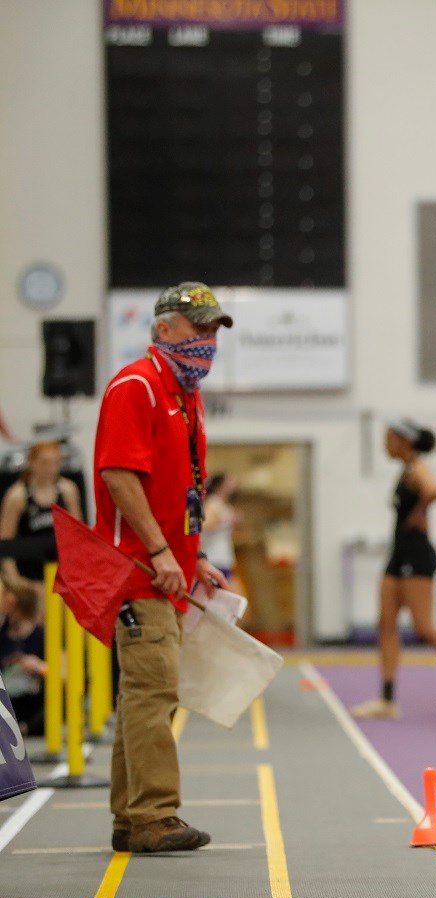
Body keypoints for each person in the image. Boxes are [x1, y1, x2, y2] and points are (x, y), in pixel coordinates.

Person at [94, 281, 232, 854]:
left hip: (168, 571)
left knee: (144, 694)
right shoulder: (138, 386)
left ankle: (132, 817)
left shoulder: (183, 392)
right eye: (198, 328)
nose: (207, 341)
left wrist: (193, 554)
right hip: (138, 570)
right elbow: (118, 475)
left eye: (213, 330)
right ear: (165, 327)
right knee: (154, 690)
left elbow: (183, 489)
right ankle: (154, 815)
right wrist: (157, 552)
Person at [350, 419, 436, 720]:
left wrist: (420, 511)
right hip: (398, 555)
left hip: (417, 555)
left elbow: (434, 489)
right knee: (385, 624)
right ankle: (387, 700)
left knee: (423, 628)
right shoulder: (405, 470)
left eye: (389, 438)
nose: (384, 445)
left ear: (405, 441)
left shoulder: (416, 467)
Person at [0, 441, 84, 606]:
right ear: (31, 463)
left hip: (61, 576)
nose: (50, 469)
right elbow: (5, 544)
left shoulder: (67, 490)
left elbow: (79, 537)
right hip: (29, 577)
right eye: (44, 463)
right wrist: (16, 583)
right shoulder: (18, 496)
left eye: (55, 463)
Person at [0, 584, 44, 737]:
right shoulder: (3, 632)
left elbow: (62, 673)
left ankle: (25, 728)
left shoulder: (40, 635)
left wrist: (37, 665)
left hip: (32, 697)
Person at [198, 472, 242, 595]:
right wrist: (224, 521)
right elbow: (205, 525)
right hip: (214, 557)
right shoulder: (213, 503)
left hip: (224, 557)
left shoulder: (224, 505)